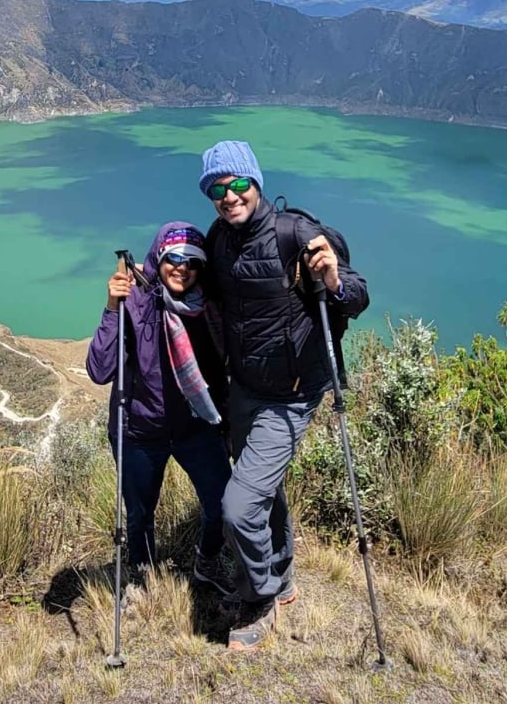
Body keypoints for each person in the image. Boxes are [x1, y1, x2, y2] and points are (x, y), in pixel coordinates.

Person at [198, 140, 369, 651]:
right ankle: (284, 574)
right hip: (244, 389)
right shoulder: (218, 239)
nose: (229, 196)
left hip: (292, 395)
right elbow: (194, 290)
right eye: (216, 189)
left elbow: (357, 295)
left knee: (238, 505)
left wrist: (334, 278)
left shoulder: (297, 233)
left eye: (237, 184)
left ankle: (260, 597)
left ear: (256, 182)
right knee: (262, 489)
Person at [85, 222, 234, 594]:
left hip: (197, 427)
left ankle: (208, 560)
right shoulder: (133, 300)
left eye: (193, 262)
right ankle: (142, 573)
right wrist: (112, 307)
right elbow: (99, 369)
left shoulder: (209, 307)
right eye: (173, 258)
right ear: (158, 257)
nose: (182, 268)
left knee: (225, 505)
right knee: (139, 517)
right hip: (139, 431)